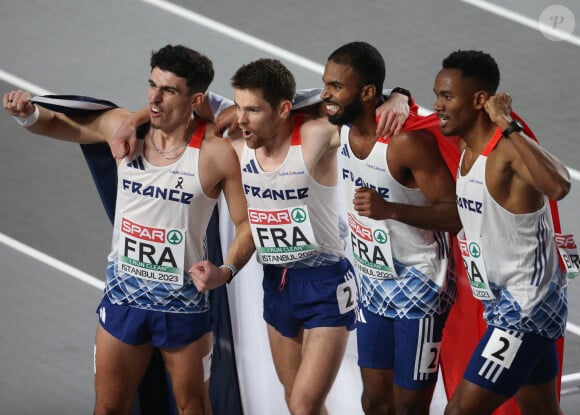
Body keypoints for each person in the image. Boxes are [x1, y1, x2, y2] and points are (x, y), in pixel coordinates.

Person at [3, 44, 254, 415]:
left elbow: (246, 223)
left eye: (168, 90)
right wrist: (28, 114)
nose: (154, 97)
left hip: (183, 307)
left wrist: (225, 270)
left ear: (195, 98)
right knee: (107, 408)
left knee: (193, 408)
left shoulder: (215, 153)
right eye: (152, 84)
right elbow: (60, 124)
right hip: (123, 301)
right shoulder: (124, 130)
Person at [320, 41, 462, 415]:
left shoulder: (405, 144)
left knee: (408, 406)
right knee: (374, 402)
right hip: (372, 281)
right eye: (326, 84)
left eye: (336, 87)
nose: (326, 95)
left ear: (367, 93)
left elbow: (455, 215)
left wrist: (390, 210)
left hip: (420, 285)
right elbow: (284, 102)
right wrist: (399, 92)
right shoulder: (341, 128)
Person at [432, 50, 570, 415]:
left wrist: (508, 123)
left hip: (525, 308)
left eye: (447, 97)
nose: (438, 105)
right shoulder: (465, 146)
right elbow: (412, 121)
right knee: (541, 410)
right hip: (501, 303)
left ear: (479, 100)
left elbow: (559, 185)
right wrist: (397, 95)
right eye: (438, 95)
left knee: (460, 411)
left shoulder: (506, 150)